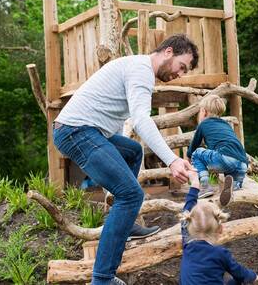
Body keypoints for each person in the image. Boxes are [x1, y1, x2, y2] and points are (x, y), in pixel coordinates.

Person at [53, 34, 199, 285]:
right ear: (168, 52)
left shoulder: (136, 67)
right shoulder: (141, 71)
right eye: (182, 66)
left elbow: (117, 116)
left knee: (132, 150)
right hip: (76, 131)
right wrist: (172, 161)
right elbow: (141, 121)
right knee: (131, 195)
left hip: (89, 131)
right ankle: (103, 278)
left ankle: (126, 222)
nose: (180, 74)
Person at [180, 170, 258, 284]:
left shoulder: (187, 245)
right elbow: (240, 273)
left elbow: (187, 206)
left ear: (189, 221)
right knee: (235, 281)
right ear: (220, 229)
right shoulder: (220, 253)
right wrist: (254, 277)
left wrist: (195, 182)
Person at [186, 95, 249, 201]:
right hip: (242, 163)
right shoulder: (226, 125)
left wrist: (187, 159)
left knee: (197, 153)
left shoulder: (203, 124)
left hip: (224, 158)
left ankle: (205, 186)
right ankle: (235, 185)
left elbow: (194, 146)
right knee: (233, 183)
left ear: (204, 112)